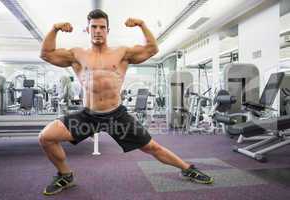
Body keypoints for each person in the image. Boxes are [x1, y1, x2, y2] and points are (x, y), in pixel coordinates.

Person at [39, 9, 214, 196]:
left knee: (152, 147)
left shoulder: (121, 53)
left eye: (102, 27)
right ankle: (65, 175)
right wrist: (54, 29)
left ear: (107, 30)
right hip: (88, 115)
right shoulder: (77, 54)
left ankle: (187, 168)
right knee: (46, 137)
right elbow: (46, 54)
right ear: (87, 30)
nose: (98, 30)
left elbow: (152, 49)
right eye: (94, 27)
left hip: (116, 115)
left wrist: (142, 25)